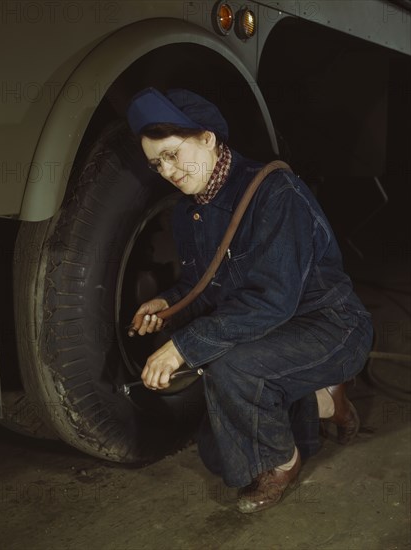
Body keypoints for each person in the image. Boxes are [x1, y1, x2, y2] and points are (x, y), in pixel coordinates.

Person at [126, 87, 373, 513]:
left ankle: (283, 463)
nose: (167, 170)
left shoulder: (275, 192)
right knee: (220, 454)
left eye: (171, 153)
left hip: (329, 324)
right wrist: (167, 305)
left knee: (232, 369)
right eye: (157, 163)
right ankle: (327, 401)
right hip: (271, 332)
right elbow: (203, 285)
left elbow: (272, 300)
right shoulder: (189, 213)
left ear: (207, 138)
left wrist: (184, 347)